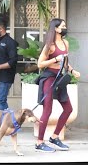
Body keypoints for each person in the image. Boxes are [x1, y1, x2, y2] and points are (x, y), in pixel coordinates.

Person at [35, 18, 80, 152]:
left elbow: (65, 62)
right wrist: (55, 59)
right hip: (49, 78)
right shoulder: (50, 45)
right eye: (63, 26)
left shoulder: (65, 43)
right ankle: (39, 142)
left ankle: (54, 137)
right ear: (55, 28)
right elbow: (40, 64)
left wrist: (72, 70)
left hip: (60, 78)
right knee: (47, 110)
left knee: (68, 109)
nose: (65, 28)